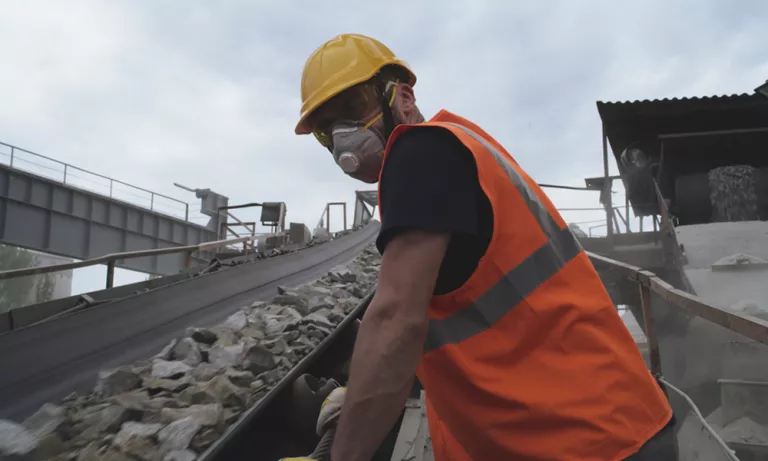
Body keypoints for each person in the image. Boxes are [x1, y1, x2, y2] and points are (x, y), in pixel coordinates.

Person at [284, 33, 678, 461]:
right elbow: (448, 324)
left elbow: (396, 321)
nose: (343, 136)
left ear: (403, 97)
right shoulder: (456, 151)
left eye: (353, 107)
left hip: (586, 442)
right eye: (327, 130)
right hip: (609, 426)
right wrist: (356, 397)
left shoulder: (417, 152)